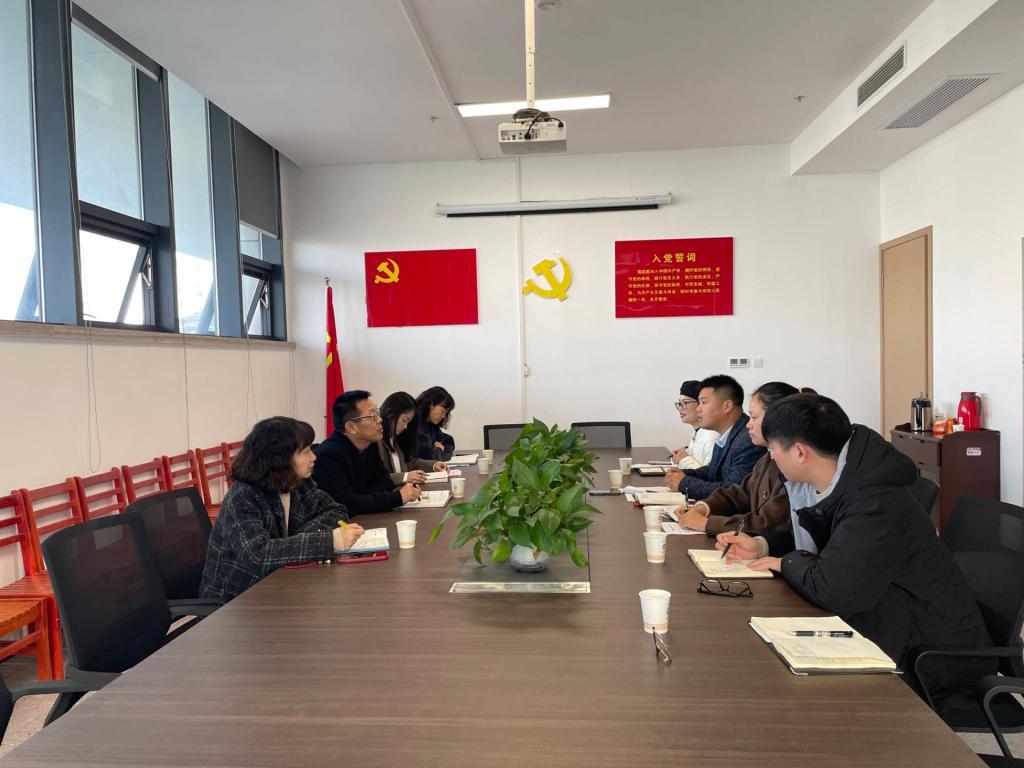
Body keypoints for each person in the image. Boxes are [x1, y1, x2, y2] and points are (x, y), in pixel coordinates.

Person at [716, 393, 994, 713]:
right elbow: (811, 533)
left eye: (773, 450)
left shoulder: (875, 502)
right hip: (886, 623)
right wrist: (762, 545)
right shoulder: (841, 479)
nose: (772, 458)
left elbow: (834, 588)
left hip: (928, 658)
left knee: (776, 690)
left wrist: (786, 562)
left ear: (800, 452)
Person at [199, 416, 365, 603]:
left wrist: (293, 541)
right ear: (280, 459)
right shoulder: (243, 496)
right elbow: (258, 556)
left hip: (279, 586)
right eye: (306, 451)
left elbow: (337, 511)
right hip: (235, 602)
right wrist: (328, 541)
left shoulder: (297, 482)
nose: (314, 457)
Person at [676, 382, 797, 535]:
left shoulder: (791, 467)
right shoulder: (768, 459)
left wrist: (706, 523)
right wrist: (704, 507)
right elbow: (739, 494)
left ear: (777, 420)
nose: (748, 424)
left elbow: (768, 525)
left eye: (754, 417)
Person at [313, 390, 422, 514]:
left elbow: (385, 482)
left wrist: (364, 498)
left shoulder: (369, 445)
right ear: (351, 427)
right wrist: (398, 497)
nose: (380, 419)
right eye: (372, 416)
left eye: (377, 413)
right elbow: (345, 504)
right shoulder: (330, 455)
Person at [664, 374, 765, 501]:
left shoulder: (748, 440)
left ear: (727, 406)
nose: (698, 409)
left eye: (703, 402)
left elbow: (731, 491)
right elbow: (713, 472)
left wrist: (684, 483)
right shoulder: (726, 433)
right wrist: (685, 474)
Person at [378, 391, 447, 486]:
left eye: (408, 422)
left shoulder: (394, 439)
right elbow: (376, 479)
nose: (405, 427)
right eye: (404, 420)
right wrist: (405, 477)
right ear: (390, 415)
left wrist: (434, 465)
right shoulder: (375, 443)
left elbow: (410, 463)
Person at [671, 379, 718, 469]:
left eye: (685, 403)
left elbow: (709, 474)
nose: (680, 408)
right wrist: (680, 459)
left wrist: (684, 459)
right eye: (679, 403)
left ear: (701, 404)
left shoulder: (712, 436)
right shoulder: (697, 432)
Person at [415, 386, 455, 461]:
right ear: (431, 404)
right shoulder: (415, 422)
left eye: (445, 413)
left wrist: (436, 449)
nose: (443, 416)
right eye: (442, 411)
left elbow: (449, 441)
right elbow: (431, 457)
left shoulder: (431, 424)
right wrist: (440, 449)